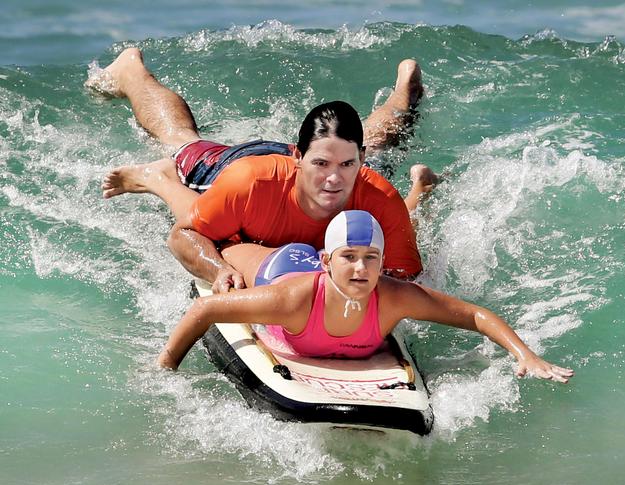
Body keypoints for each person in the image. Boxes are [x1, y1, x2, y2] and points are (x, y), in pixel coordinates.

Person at [88, 48, 436, 293]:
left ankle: (403, 96)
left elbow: (404, 280)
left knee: (378, 149)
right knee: (179, 139)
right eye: (321, 165)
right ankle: (131, 72)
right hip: (237, 168)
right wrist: (219, 270)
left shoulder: (376, 195)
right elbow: (184, 234)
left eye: (348, 164)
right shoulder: (250, 184)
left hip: (320, 161)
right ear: (298, 157)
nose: (334, 180)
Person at [158, 210, 574, 384]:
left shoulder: (395, 297)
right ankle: (165, 183)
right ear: (328, 260)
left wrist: (526, 355)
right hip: (278, 266)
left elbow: (475, 316)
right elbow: (206, 307)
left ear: (382, 262)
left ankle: (417, 195)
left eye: (371, 259)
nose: (361, 269)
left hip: (314, 263)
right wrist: (165, 370)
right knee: (216, 239)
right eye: (350, 258)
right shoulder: (291, 300)